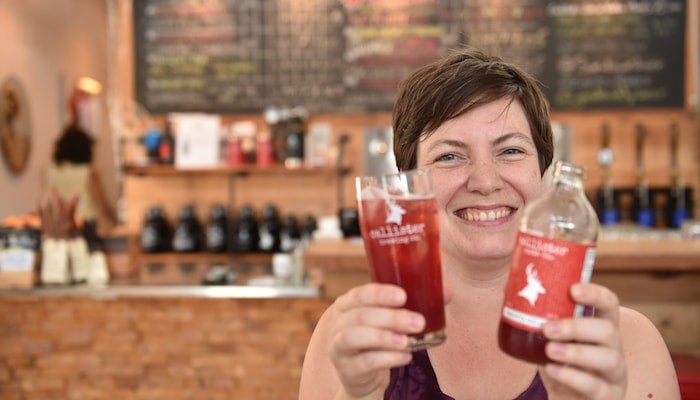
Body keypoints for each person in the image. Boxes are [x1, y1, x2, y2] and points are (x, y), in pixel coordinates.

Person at [299, 47, 680, 399]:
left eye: (510, 151)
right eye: (449, 156)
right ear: (410, 185)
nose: (484, 181)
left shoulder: (627, 344)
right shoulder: (352, 338)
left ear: (543, 173)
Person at [44, 123, 117, 252]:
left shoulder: (51, 172)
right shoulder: (88, 172)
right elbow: (101, 203)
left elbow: (50, 202)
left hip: (61, 230)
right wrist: (115, 221)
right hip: (84, 229)